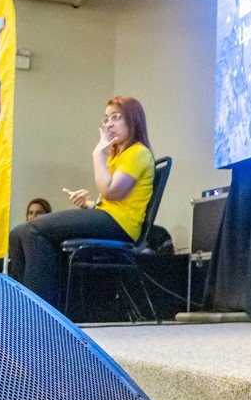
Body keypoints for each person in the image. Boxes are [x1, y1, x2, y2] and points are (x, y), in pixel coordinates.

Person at [8, 96, 156, 307]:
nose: (109, 124)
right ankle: (18, 304)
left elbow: (111, 192)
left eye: (116, 117)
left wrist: (98, 154)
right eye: (106, 119)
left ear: (133, 120)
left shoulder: (138, 152)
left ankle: (37, 310)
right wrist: (89, 204)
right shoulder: (118, 155)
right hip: (109, 216)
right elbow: (111, 198)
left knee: (34, 230)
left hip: (122, 224)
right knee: (17, 233)